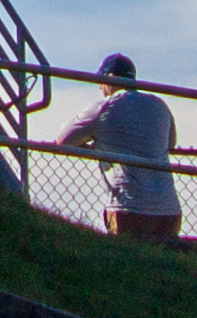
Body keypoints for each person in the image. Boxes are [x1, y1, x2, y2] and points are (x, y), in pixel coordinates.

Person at [60, 51, 184, 245]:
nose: (100, 87)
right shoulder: (159, 105)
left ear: (109, 78)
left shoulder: (104, 107)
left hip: (127, 206)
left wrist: (95, 146)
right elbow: (170, 143)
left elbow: (63, 140)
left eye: (100, 81)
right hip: (168, 209)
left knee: (128, 262)